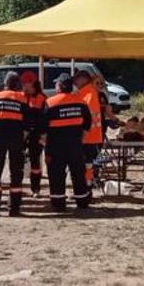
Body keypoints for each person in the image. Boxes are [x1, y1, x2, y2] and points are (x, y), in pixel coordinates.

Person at [41, 74, 91, 211]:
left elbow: (42, 127)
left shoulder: (50, 102)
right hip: (75, 144)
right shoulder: (81, 102)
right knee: (78, 173)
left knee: (56, 174)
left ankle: (58, 203)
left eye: (56, 84)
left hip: (55, 146)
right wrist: (81, 138)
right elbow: (88, 123)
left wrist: (45, 142)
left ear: (60, 87)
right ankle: (82, 201)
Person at [0, 72, 28, 216]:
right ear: (17, 84)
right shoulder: (22, 99)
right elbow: (27, 123)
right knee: (16, 174)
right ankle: (14, 209)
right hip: (16, 140)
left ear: (5, 83)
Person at [73, 70, 104, 203]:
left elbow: (88, 118)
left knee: (87, 166)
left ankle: (87, 190)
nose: (75, 82)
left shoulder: (89, 94)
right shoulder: (86, 93)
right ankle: (86, 189)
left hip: (89, 138)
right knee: (87, 166)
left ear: (83, 79)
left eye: (76, 79)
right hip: (90, 137)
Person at [22, 72, 46, 196]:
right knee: (18, 161)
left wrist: (43, 136)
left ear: (32, 83)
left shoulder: (42, 98)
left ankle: (35, 188)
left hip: (36, 135)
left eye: (25, 84)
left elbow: (44, 119)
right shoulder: (21, 97)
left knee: (35, 162)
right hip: (22, 134)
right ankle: (18, 186)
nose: (23, 87)